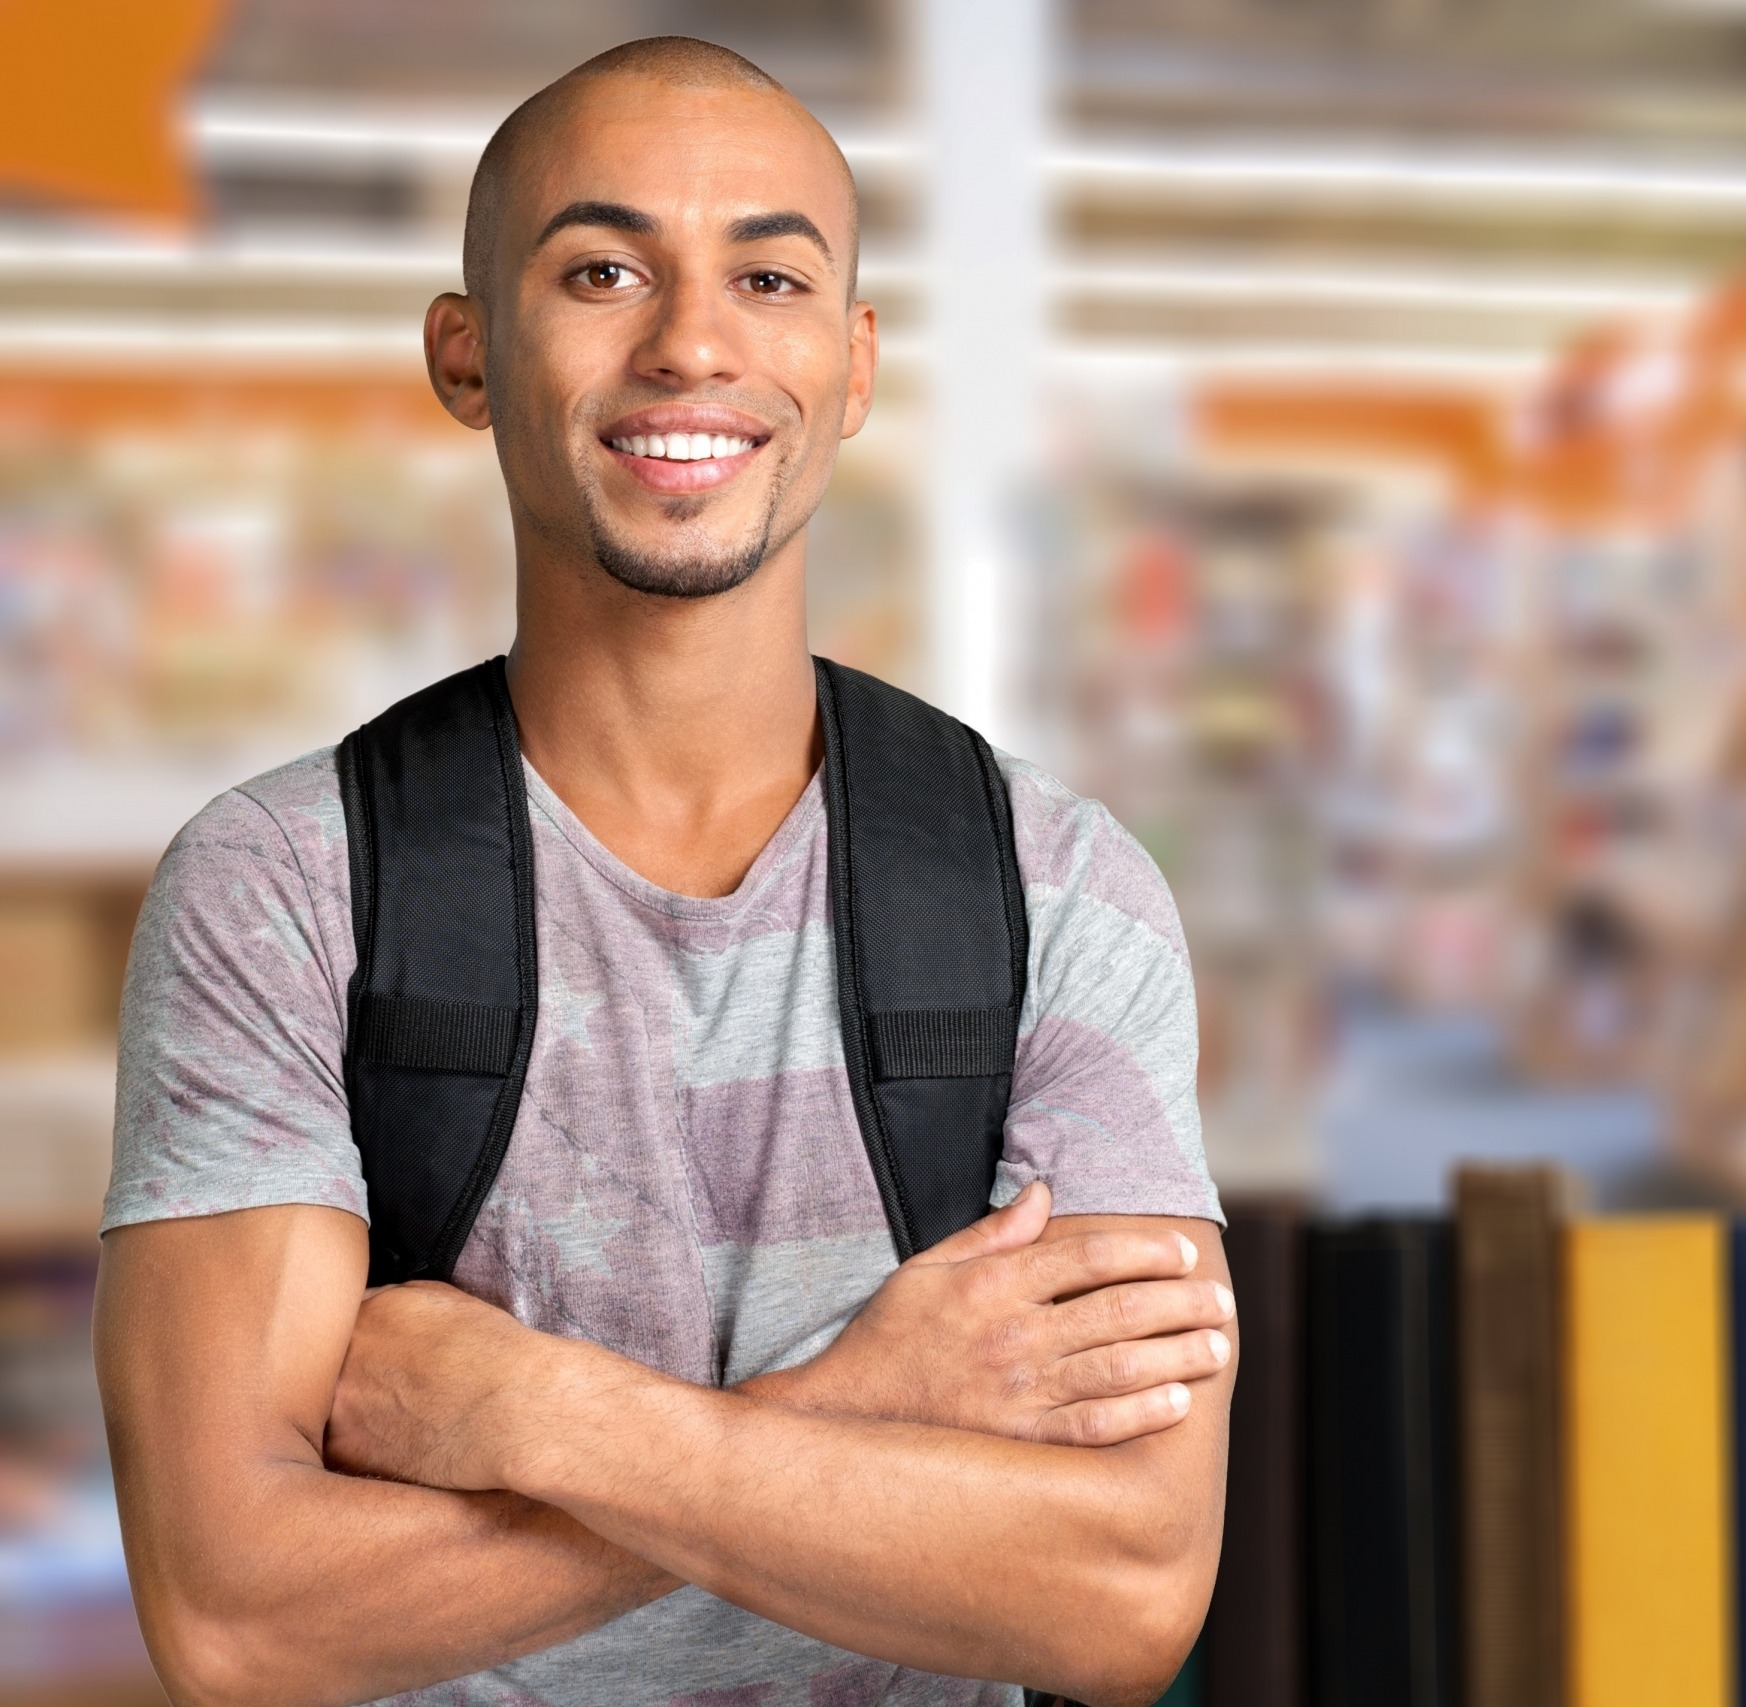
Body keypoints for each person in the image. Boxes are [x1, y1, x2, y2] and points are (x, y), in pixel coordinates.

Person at [94, 36, 1232, 1707]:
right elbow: (238, 1620)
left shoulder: (1058, 891)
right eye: (603, 268)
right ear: (466, 355)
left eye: (767, 276)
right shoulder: (285, 891)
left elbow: (1126, 1598)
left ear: (852, 367)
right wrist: (867, 1396)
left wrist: (545, 1417)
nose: (693, 342)